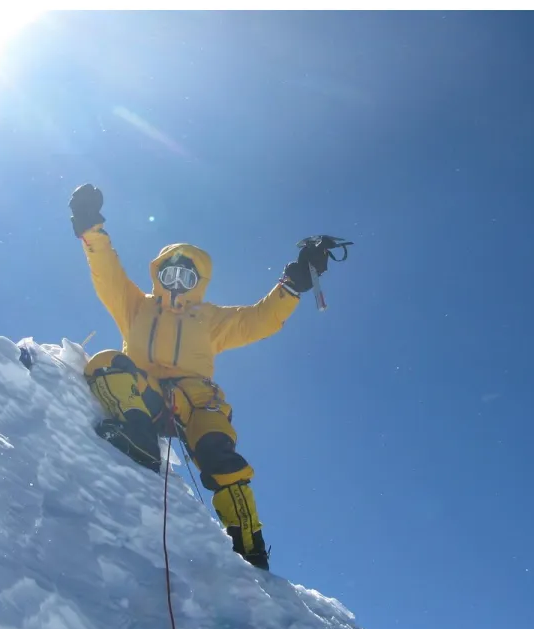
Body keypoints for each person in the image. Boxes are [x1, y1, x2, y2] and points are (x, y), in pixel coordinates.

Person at [68, 183, 338, 571]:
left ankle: (250, 542)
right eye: (170, 272)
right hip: (144, 393)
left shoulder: (210, 319)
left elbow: (258, 319)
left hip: (196, 400)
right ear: (158, 275)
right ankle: (139, 436)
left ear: (201, 283)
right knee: (106, 363)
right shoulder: (136, 307)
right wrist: (90, 227)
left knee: (218, 453)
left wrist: (293, 282)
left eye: (188, 277)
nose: (177, 282)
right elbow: (108, 275)